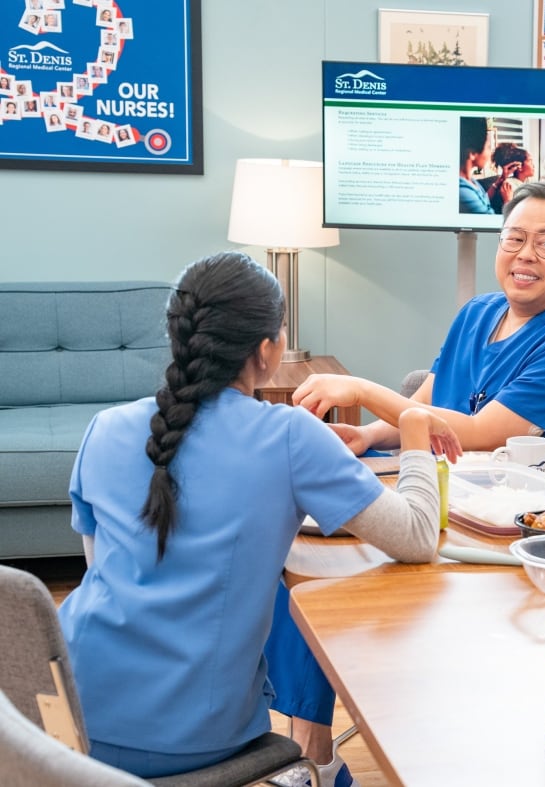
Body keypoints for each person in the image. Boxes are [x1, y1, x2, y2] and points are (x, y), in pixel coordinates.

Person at [56, 252, 461, 781]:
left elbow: (100, 570)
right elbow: (416, 536)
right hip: (196, 737)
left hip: (67, 716)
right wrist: (412, 432)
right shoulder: (290, 435)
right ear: (269, 349)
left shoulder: (104, 427)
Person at [267, 181, 545, 780]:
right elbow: (430, 393)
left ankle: (324, 754)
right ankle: (312, 754)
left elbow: (478, 431)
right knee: (297, 560)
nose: (525, 254)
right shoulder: (480, 311)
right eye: (515, 239)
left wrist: (362, 390)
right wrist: (372, 436)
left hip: (500, 537)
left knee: (322, 578)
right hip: (433, 493)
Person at [457, 116, 509, 214]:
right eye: (488, 147)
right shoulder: (463, 191)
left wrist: (499, 181)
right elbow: (490, 220)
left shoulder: (471, 181)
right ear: (472, 154)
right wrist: (508, 201)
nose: (490, 153)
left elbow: (484, 200)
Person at [479, 141, 535, 213]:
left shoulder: (527, 183)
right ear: (519, 166)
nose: (533, 165)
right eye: (530, 161)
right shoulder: (509, 186)